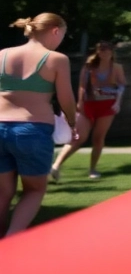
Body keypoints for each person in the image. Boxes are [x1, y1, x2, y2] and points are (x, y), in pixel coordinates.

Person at [0, 14, 77, 236]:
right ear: (55, 30)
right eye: (63, 34)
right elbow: (66, 99)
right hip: (32, 130)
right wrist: (72, 123)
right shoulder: (56, 59)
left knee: (3, 192)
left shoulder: (3, 55)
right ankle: (12, 240)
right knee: (34, 190)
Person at [51, 40, 126, 181]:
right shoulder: (89, 66)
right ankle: (56, 166)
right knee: (79, 137)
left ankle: (93, 169)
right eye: (101, 49)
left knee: (98, 138)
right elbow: (82, 86)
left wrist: (117, 103)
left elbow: (122, 86)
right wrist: (79, 103)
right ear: (97, 51)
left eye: (107, 49)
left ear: (112, 52)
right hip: (88, 105)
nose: (104, 52)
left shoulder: (116, 67)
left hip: (107, 106)